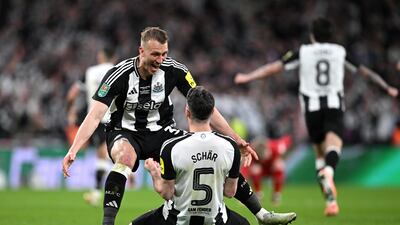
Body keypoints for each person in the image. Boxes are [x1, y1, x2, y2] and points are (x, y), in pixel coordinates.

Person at [62, 27, 296, 225]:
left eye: (164, 54)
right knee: (124, 157)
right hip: (126, 132)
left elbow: (205, 106)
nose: (160, 60)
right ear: (141, 51)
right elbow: (94, 116)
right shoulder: (118, 75)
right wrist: (73, 149)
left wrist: (236, 138)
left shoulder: (175, 70)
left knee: (210, 152)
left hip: (163, 131)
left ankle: (262, 214)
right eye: (155, 54)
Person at [235, 17, 398, 217]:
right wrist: (386, 87)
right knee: (334, 145)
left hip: (311, 109)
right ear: (331, 36)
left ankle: (331, 201)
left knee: (320, 154)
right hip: (333, 105)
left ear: (313, 36)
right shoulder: (340, 51)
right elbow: (365, 73)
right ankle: (329, 173)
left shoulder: (303, 52)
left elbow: (273, 68)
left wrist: (248, 77)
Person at [130, 86, 250, 225]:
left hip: (176, 220)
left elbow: (166, 193)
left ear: (187, 111)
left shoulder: (171, 147)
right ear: (212, 112)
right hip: (216, 221)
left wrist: (154, 172)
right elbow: (230, 192)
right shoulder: (230, 146)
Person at [65, 46, 117, 206]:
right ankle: (100, 191)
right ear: (114, 58)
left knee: (102, 154)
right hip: (115, 117)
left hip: (95, 118)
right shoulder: (118, 70)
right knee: (106, 154)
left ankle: (97, 191)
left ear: (101, 56)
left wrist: (70, 111)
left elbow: (72, 94)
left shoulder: (90, 72)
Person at [243, 134, 292, 206]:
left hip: (272, 168)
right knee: (255, 169)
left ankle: (276, 195)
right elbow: (244, 169)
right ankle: (258, 194)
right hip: (261, 171)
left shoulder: (277, 147)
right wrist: (242, 191)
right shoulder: (251, 151)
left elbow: (288, 139)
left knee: (279, 166)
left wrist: (279, 158)